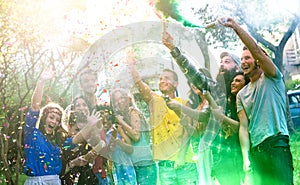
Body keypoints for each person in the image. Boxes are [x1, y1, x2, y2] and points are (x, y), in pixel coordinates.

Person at [162, 30, 244, 185]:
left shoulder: (247, 91)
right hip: (223, 155)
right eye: (221, 62)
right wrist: (174, 50)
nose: (222, 65)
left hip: (247, 153)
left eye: (227, 61)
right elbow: (195, 75)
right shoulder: (217, 90)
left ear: (238, 67)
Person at [218, 17, 294, 185]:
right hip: (256, 149)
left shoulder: (272, 78)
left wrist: (236, 27)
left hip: (277, 144)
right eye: (242, 59)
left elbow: (258, 52)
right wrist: (246, 158)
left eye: (248, 57)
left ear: (259, 60)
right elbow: (244, 128)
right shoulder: (241, 94)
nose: (243, 61)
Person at [126, 49, 198, 185]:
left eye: (167, 78)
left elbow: (188, 130)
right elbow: (139, 84)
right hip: (165, 165)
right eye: (160, 78)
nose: (162, 80)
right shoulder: (154, 101)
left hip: (186, 163)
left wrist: (181, 157)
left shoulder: (184, 103)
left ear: (175, 84)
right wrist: (131, 67)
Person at [23, 68, 66, 184]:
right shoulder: (32, 133)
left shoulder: (58, 140)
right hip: (36, 181)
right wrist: (41, 81)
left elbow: (75, 140)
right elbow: (35, 106)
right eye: (51, 117)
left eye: (57, 120)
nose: (54, 122)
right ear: (44, 118)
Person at [111, 88, 157, 185]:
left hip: (144, 163)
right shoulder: (123, 117)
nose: (119, 102)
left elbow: (136, 136)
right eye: (116, 100)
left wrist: (121, 122)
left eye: (121, 98)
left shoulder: (133, 112)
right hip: (135, 164)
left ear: (128, 99)